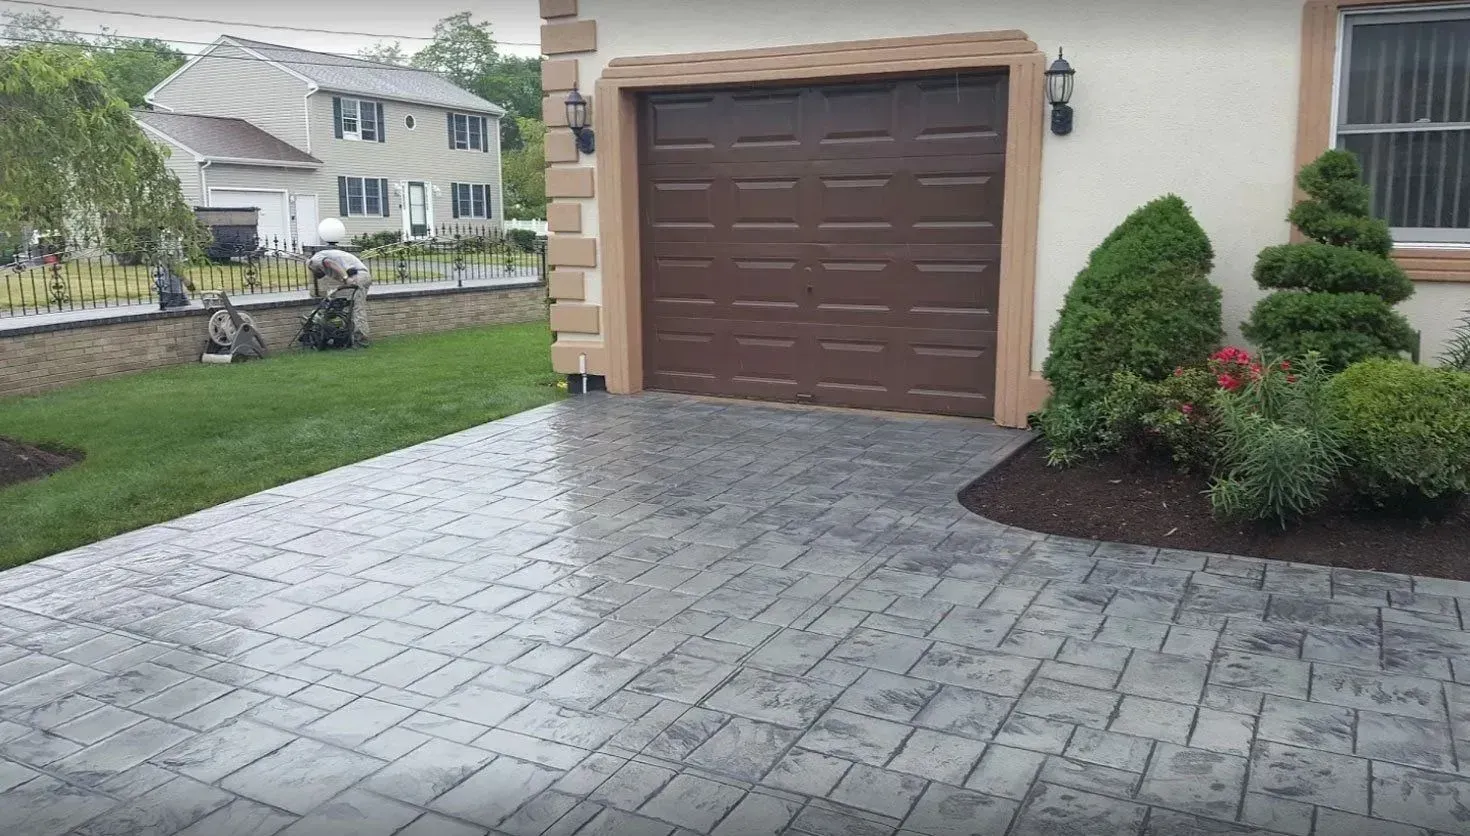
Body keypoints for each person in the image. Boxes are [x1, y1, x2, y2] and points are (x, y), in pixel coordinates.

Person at [307, 248, 372, 346]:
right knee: (349, 307)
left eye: (315, 273)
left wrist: (346, 278)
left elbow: (331, 264)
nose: (316, 275)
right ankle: (350, 337)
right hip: (360, 275)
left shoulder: (315, 261)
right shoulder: (322, 257)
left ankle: (361, 339)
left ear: (312, 267)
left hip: (358, 276)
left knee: (357, 308)